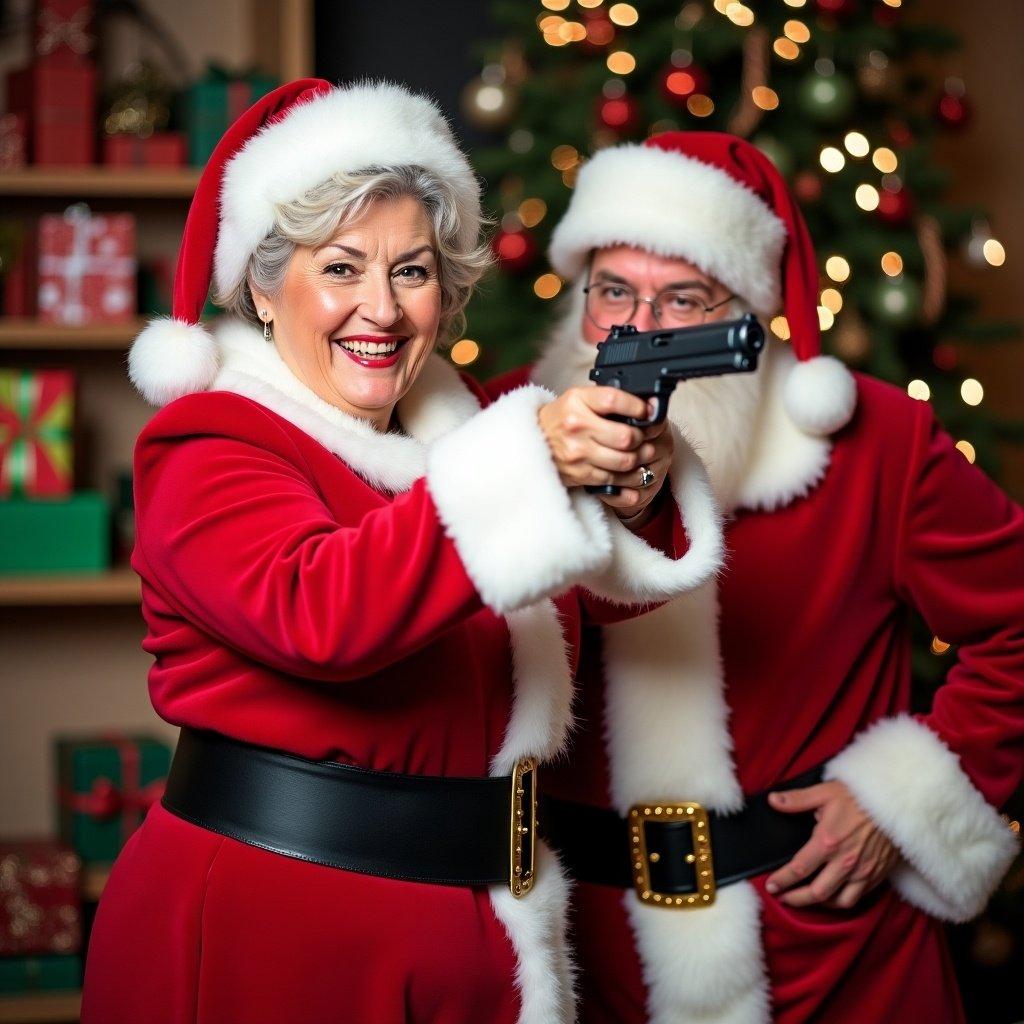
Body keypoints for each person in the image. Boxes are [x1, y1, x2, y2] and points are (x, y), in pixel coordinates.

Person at [80, 83, 725, 1024]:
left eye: (413, 271)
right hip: (275, 939)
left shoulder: (460, 439)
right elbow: (320, 614)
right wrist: (534, 461)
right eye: (340, 268)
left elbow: (578, 599)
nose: (379, 310)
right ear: (264, 287)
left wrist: (632, 481)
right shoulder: (209, 444)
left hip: (481, 934)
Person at [487, 131, 1024, 1024]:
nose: (637, 328)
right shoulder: (507, 429)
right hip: (584, 950)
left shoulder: (874, 445)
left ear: (746, 309)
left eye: (682, 298)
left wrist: (908, 796)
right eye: (613, 290)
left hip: (829, 951)